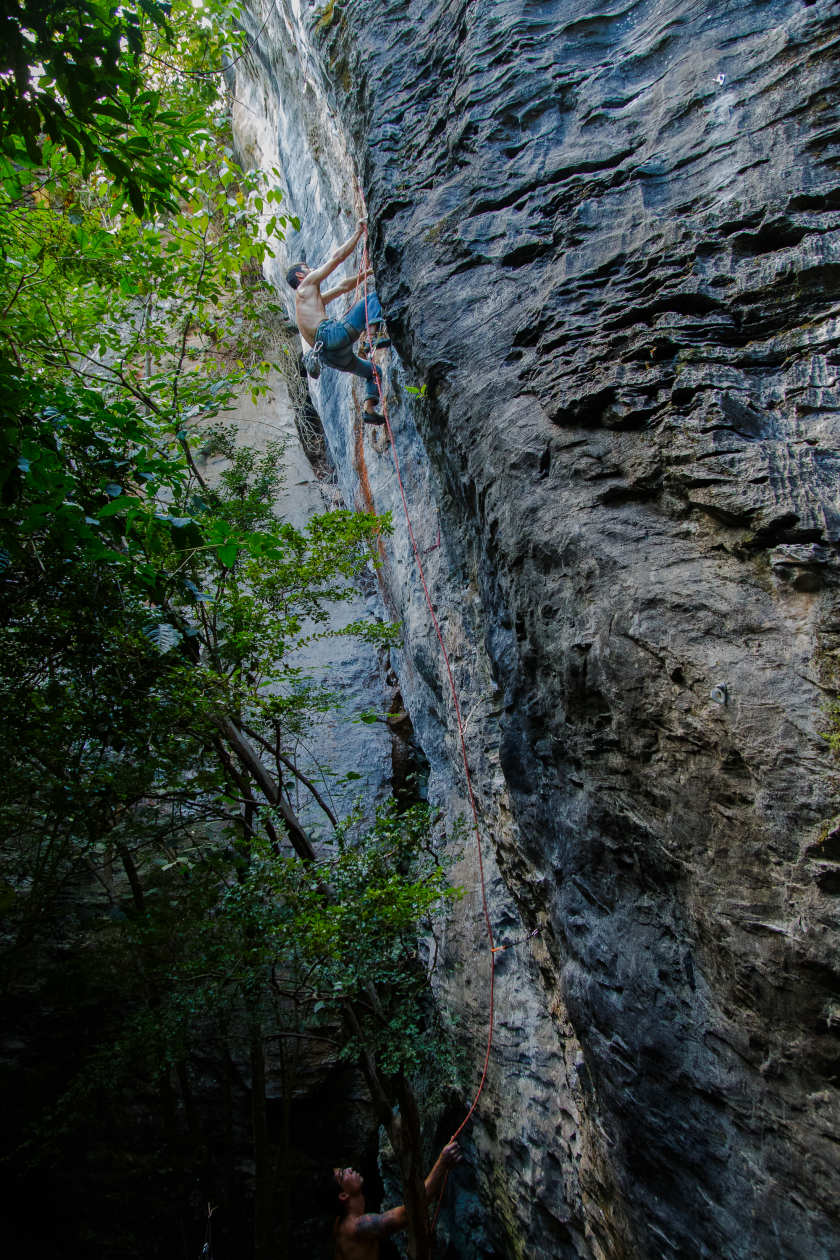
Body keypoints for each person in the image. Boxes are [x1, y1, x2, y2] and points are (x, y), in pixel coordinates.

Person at [286, 218, 389, 425]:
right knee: (372, 299)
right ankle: (372, 338)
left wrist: (368, 272)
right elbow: (337, 257)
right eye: (307, 267)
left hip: (330, 357)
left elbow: (343, 287)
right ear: (300, 274)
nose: (312, 269)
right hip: (330, 336)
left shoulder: (308, 302)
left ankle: (369, 409)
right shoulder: (306, 286)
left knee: (372, 372)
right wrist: (358, 232)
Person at [318, 1140, 462, 1259]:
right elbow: (409, 1212)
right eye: (343, 1174)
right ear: (343, 1195)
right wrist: (442, 1164)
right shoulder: (358, 1228)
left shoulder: (341, 1222)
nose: (349, 1168)